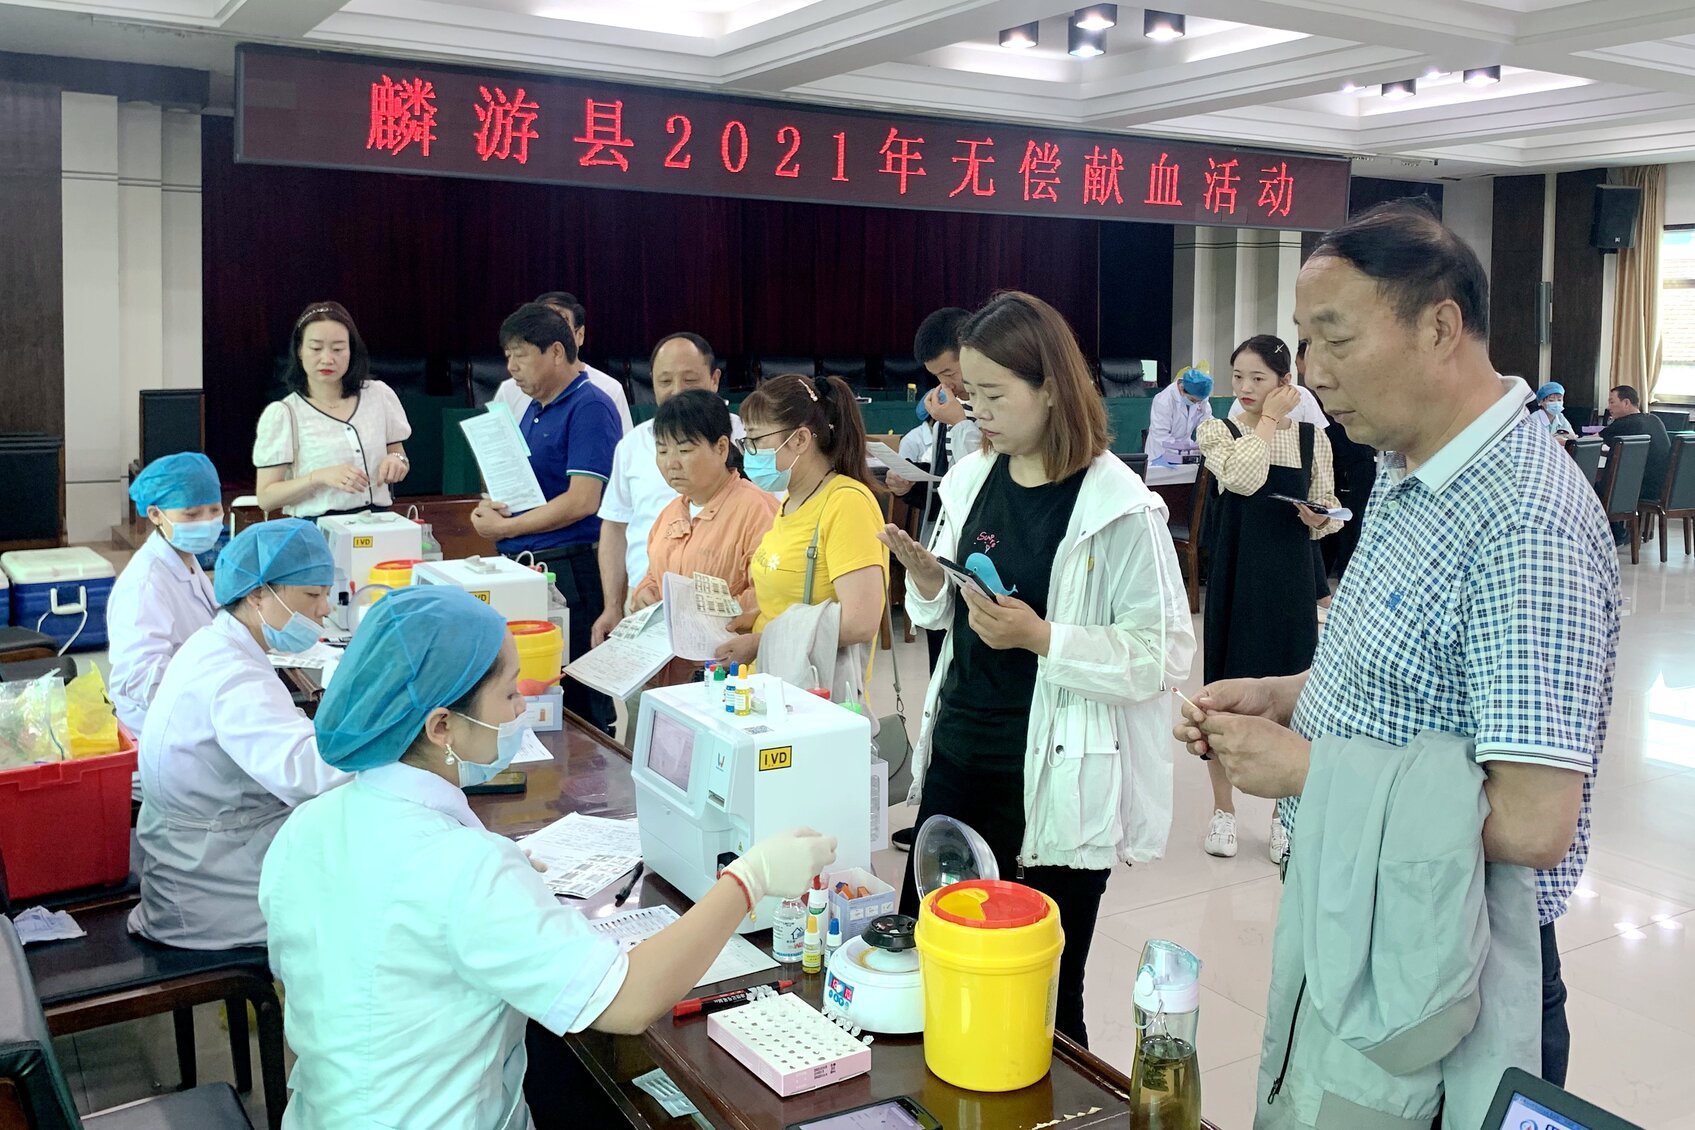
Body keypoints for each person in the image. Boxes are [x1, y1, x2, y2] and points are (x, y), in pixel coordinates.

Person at [1175, 202, 1618, 1091]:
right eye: (1305, 342)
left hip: (1456, 956)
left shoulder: (1521, 517)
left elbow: (1534, 821)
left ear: (1438, 328)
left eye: (1335, 338)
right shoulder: (1407, 464)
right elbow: (1413, 672)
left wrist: (1306, 771)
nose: (1312, 372)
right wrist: (1289, 694)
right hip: (1369, 903)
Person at [258, 585, 837, 1130]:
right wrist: (747, 880)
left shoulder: (307, 825)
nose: (520, 707)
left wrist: (493, 895)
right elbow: (629, 1002)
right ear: (441, 727)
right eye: (509, 693)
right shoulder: (466, 868)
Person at [879, 291, 1194, 1047]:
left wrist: (1045, 637)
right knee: (935, 957)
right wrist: (926, 579)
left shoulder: (1119, 506)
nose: (975, 412)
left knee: (1043, 995)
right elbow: (942, 615)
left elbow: (1163, 654)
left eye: (992, 395)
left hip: (1053, 777)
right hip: (960, 753)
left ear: (1050, 387)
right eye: (968, 393)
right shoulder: (970, 478)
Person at [129, 518, 350, 949]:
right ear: (257, 595)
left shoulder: (218, 644)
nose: (325, 609)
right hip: (216, 892)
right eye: (312, 595)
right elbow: (305, 774)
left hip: (212, 852)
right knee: (368, 912)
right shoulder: (232, 676)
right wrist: (391, 739)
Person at [1196, 335, 1341, 864]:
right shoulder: (1219, 429)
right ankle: (1223, 811)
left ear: (1285, 382)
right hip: (1237, 578)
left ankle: (1284, 816)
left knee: (1293, 698)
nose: (1245, 387)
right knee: (1223, 694)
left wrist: (1320, 516)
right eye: (1238, 377)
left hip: (1290, 579)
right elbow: (1241, 478)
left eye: (1258, 378)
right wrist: (1268, 421)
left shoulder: (1312, 438)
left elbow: (1328, 509)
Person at [472, 304, 620, 734]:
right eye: (507, 356)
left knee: (578, 699)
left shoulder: (590, 405)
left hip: (571, 570)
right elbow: (527, 490)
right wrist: (493, 508)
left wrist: (507, 527)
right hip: (530, 567)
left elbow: (582, 500)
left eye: (520, 355)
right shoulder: (533, 408)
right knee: (534, 693)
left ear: (556, 351)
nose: (511, 368)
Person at [714, 373, 887, 703]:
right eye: (746, 442)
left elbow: (861, 621)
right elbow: (794, 597)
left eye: (756, 440)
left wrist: (762, 641)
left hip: (814, 693)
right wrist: (754, 618)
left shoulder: (846, 504)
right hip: (773, 681)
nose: (749, 453)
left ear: (800, 440)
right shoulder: (791, 500)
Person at [592, 333, 743, 649]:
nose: (676, 391)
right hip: (645, 603)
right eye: (664, 381)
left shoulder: (746, 437)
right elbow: (615, 526)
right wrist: (612, 605)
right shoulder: (633, 444)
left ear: (714, 379)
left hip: (724, 610)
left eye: (690, 380)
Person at [627, 390, 777, 685]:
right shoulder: (671, 512)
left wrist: (696, 613)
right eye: (662, 451)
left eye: (684, 450)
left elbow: (769, 595)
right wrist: (645, 593)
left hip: (726, 674)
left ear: (721, 448)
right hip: (665, 670)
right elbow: (655, 574)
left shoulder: (757, 510)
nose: (671, 463)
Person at [254, 301, 412, 518]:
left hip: (377, 520)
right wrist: (318, 477)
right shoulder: (285, 413)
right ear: (299, 350)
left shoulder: (378, 395)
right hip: (315, 527)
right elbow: (266, 497)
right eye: (316, 348)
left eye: (338, 349)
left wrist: (397, 461)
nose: (327, 359)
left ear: (351, 351)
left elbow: (398, 452)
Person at [106, 453, 223, 744]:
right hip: (163, 732)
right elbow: (139, 679)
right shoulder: (144, 585)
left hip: (194, 712)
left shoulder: (185, 559)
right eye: (192, 515)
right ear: (156, 514)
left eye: (214, 509)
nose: (207, 521)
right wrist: (214, 695)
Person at [494, 291, 634, 435]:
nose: (552, 333)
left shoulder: (608, 390)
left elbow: (625, 446)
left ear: (580, 335)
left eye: (561, 323)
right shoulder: (509, 390)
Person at [1601, 383, 1672, 503]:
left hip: (1637, 489)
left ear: (1626, 403)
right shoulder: (1654, 420)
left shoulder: (1624, 423)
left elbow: (1594, 441)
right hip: (1662, 487)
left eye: (1612, 402)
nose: (1609, 407)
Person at [1145, 366, 1214, 463]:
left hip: (1186, 453)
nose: (1197, 404)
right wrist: (1184, 449)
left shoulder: (1200, 397)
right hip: (1161, 454)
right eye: (1193, 400)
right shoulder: (1164, 401)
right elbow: (1161, 436)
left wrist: (1204, 441)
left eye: (1200, 401)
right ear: (1181, 388)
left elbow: (1207, 423)